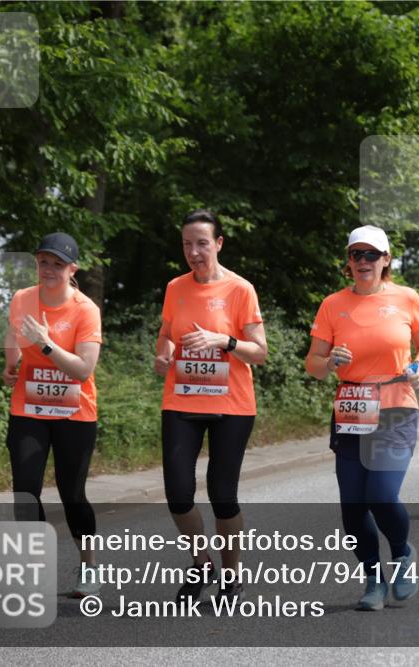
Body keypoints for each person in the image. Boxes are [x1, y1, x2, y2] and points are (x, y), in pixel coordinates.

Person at [305, 225, 419, 611]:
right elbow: (313, 364)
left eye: (371, 255)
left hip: (396, 406)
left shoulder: (406, 298)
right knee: (352, 509)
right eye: (356, 255)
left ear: (386, 259)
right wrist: (328, 362)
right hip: (351, 409)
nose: (363, 262)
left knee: (381, 495)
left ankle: (401, 552)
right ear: (348, 261)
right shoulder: (332, 304)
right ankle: (374, 580)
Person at [154, 209, 268, 605]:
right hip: (181, 399)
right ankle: (201, 563)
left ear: (218, 243)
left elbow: (260, 353)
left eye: (202, 242)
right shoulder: (175, 287)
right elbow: (167, 334)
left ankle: (232, 575)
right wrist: (163, 354)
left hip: (231, 405)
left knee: (223, 495)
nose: (194, 251)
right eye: (187, 244)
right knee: (178, 494)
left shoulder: (240, 290)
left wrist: (225, 341)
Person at [2, 232, 102, 597]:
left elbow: (83, 369)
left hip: (74, 412)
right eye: (43, 261)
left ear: (72, 269)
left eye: (57, 264)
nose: (48, 269)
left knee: (71, 494)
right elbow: (13, 335)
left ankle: (89, 566)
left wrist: (45, 343)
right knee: (25, 491)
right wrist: (11, 364)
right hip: (28, 407)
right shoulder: (22, 299)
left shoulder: (85, 310)